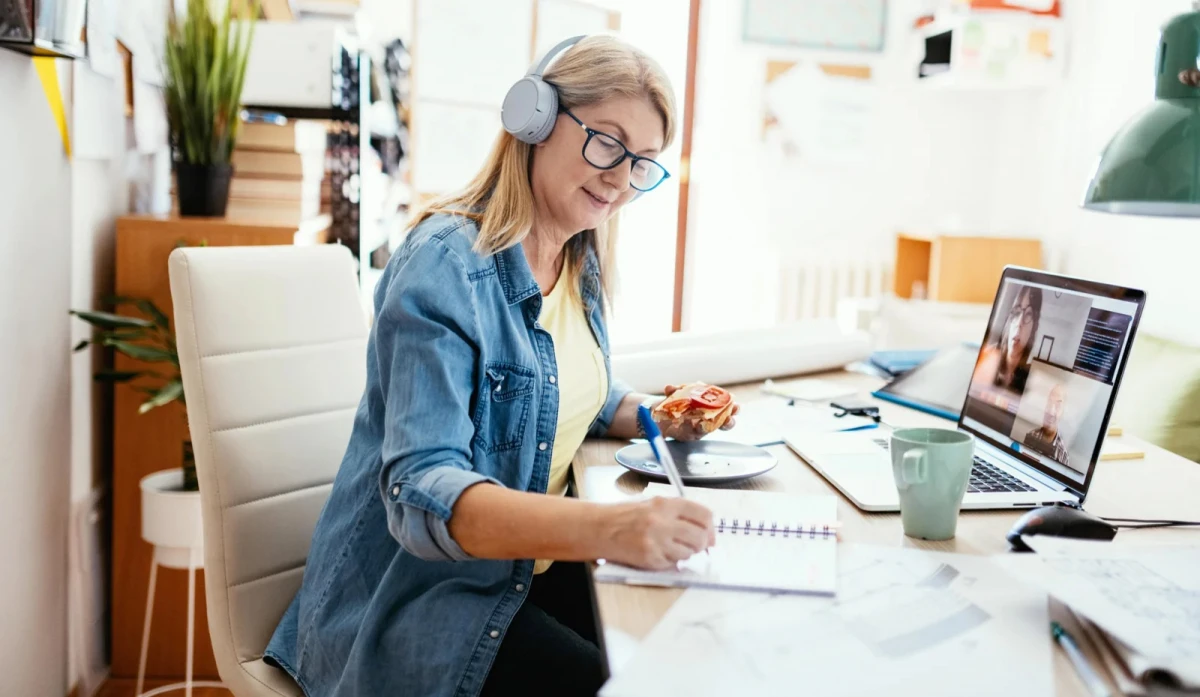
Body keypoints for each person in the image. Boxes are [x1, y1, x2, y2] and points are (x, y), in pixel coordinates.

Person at [262, 36, 737, 697]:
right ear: (534, 119)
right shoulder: (445, 266)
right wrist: (613, 528)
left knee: (696, 643)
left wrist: (665, 414)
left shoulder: (578, 257)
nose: (619, 178)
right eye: (608, 143)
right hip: (418, 606)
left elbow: (574, 394)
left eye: (642, 163)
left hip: (519, 574)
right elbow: (423, 493)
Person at [971, 284, 1044, 394]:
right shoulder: (989, 358)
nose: (1019, 323)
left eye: (1028, 314)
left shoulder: (1031, 378)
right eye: (1017, 312)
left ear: (1034, 327)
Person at [1024, 384, 1070, 466]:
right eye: (1049, 403)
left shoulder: (1063, 454)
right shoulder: (1031, 436)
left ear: (1062, 412)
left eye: (1058, 406)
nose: (1051, 412)